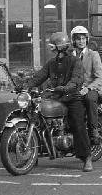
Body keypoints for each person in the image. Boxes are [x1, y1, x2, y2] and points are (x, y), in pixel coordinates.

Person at [26, 31, 93, 172]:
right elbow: (39, 77)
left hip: (73, 97)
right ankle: (35, 152)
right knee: (38, 115)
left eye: (53, 46)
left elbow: (76, 81)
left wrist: (63, 88)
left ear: (60, 46)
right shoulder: (52, 63)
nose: (51, 48)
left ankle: (87, 157)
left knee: (77, 123)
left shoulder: (75, 61)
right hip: (56, 97)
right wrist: (25, 86)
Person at [70, 25, 102, 145]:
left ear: (87, 39)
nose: (81, 41)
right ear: (73, 40)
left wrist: (88, 88)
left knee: (90, 99)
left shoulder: (93, 54)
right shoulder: (70, 56)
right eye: (78, 39)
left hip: (91, 88)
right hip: (73, 89)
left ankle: (93, 131)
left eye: (83, 38)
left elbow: (99, 77)